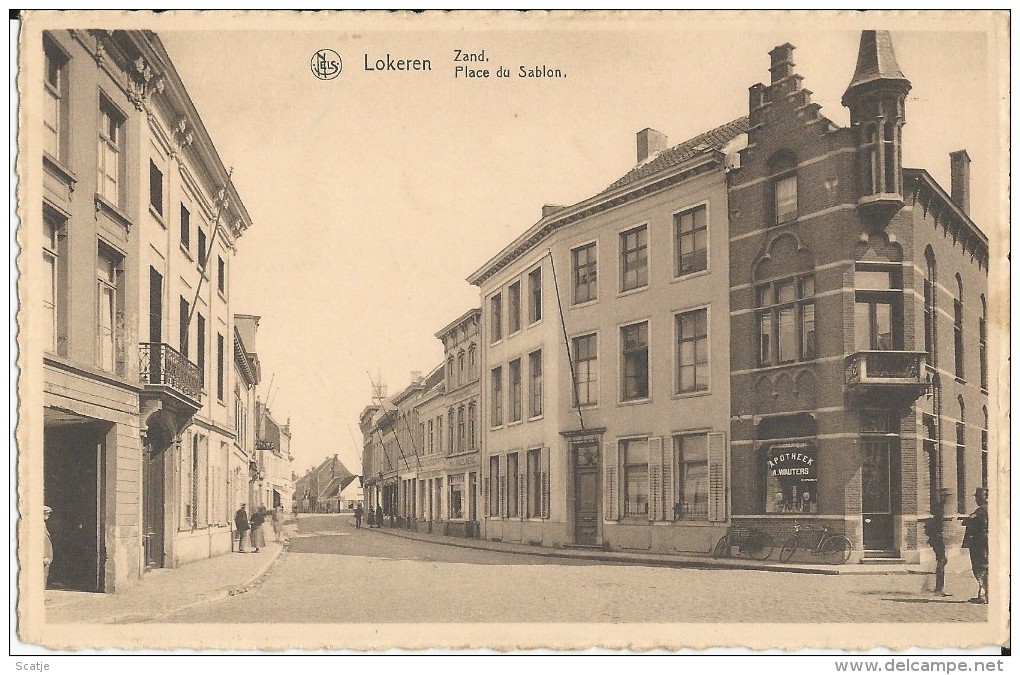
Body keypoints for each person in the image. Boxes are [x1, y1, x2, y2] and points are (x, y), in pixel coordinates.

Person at [961, 486, 989, 604]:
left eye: (978, 496)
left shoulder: (981, 511)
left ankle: (983, 595)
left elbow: (967, 521)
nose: (976, 499)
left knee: (980, 568)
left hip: (980, 543)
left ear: (984, 497)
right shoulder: (990, 509)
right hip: (986, 542)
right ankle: (986, 594)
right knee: (985, 567)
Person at [924, 489, 950, 596]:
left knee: (942, 561)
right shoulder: (937, 518)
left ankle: (939, 587)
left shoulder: (936, 517)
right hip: (937, 541)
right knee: (942, 561)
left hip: (936, 541)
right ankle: (939, 589)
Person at [43, 505, 53, 587]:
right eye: (46, 513)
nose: (48, 515)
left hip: (46, 560)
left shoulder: (43, 525)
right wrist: (43, 557)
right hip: (43, 559)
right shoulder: (39, 526)